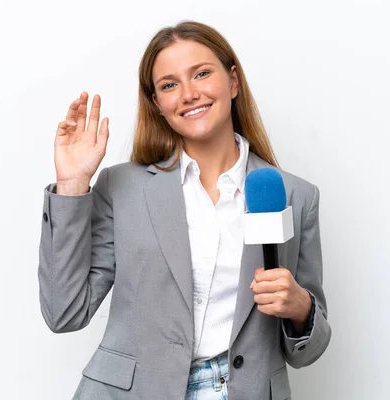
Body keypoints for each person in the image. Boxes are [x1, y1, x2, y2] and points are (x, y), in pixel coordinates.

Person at [38, 20, 331, 400]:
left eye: (202, 74)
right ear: (158, 105)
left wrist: (301, 308)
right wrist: (73, 185)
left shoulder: (294, 194)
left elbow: (309, 349)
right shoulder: (122, 188)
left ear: (233, 82)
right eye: (169, 85)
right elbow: (65, 313)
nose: (189, 94)